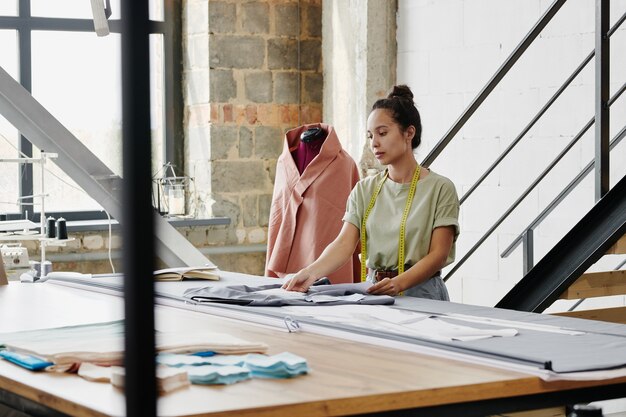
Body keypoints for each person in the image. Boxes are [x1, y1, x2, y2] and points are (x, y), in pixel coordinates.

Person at [283, 85, 459, 300]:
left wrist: (398, 283)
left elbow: (439, 255)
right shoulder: (364, 189)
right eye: (370, 136)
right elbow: (344, 244)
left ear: (409, 133)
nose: (374, 143)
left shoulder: (440, 188)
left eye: (382, 133)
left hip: (422, 293)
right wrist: (309, 273)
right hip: (374, 292)